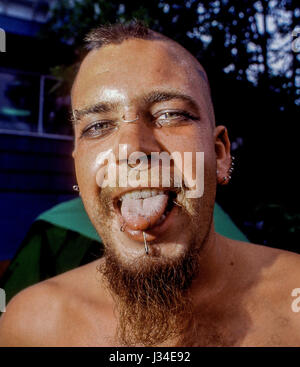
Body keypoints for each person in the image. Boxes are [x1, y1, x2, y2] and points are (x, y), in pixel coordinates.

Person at [0, 21, 299, 347]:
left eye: (170, 114)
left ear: (220, 154)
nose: (131, 150)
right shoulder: (32, 326)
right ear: (77, 168)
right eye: (98, 126)